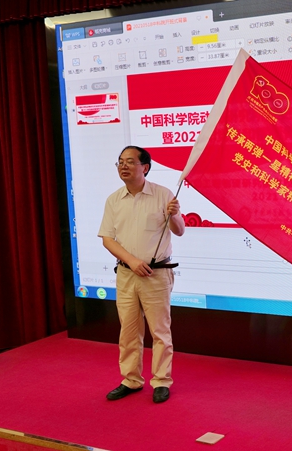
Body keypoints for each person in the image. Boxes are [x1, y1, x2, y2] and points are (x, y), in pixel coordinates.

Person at [98, 145, 185, 404]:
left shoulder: (163, 194)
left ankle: (161, 380)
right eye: (120, 162)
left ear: (144, 167)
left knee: (160, 331)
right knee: (128, 330)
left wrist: (174, 215)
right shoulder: (114, 199)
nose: (123, 166)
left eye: (129, 161)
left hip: (156, 275)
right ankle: (131, 379)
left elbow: (179, 230)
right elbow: (107, 238)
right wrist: (132, 261)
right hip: (127, 274)